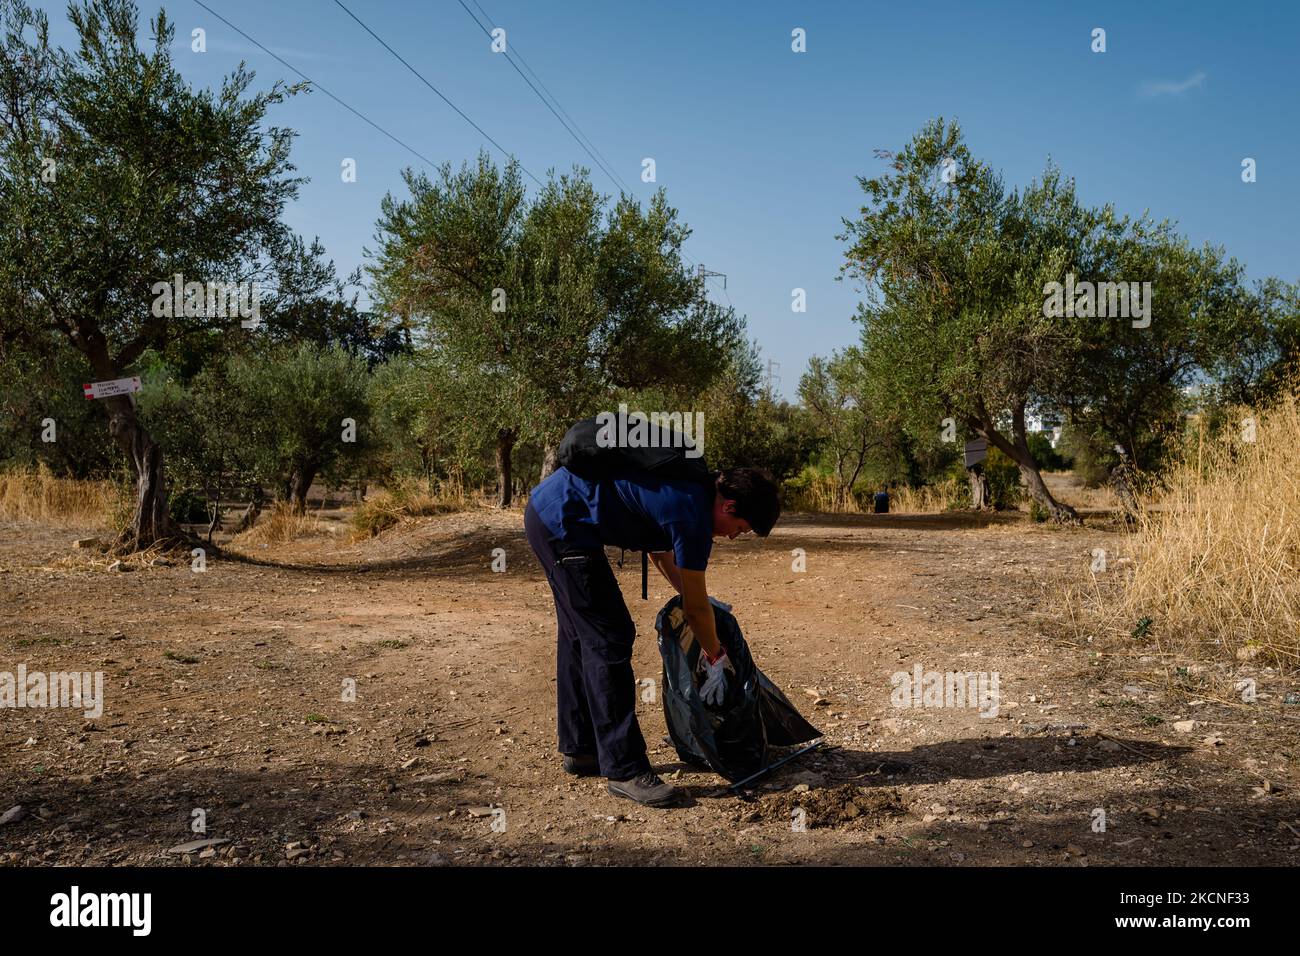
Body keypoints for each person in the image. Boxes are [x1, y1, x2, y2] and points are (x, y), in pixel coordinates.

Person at [524, 463, 780, 807]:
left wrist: (700, 598)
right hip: (562, 525)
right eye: (740, 528)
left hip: (551, 512)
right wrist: (716, 656)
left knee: (579, 632)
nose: (734, 536)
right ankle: (625, 769)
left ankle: (581, 749)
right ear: (729, 507)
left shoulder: (692, 491)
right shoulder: (692, 515)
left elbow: (660, 552)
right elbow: (695, 612)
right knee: (608, 636)